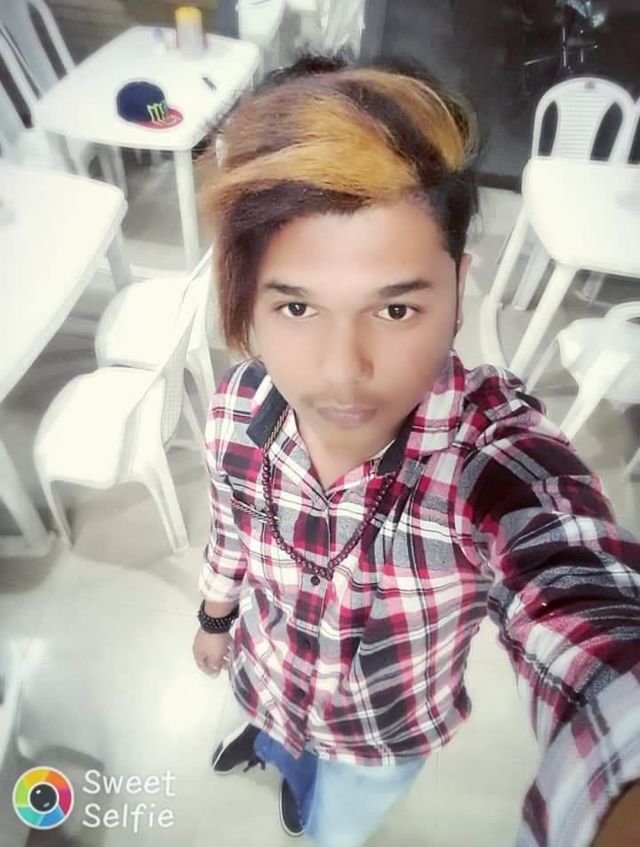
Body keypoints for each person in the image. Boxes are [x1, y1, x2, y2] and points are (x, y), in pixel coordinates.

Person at [191, 51, 640, 847]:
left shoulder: (484, 459)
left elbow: (579, 593)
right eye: (297, 307)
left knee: (328, 829)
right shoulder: (235, 413)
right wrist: (215, 617)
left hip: (374, 739)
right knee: (272, 735)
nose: (342, 371)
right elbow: (232, 534)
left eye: (395, 310)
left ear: (459, 287)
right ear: (246, 301)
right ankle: (273, 749)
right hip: (268, 676)